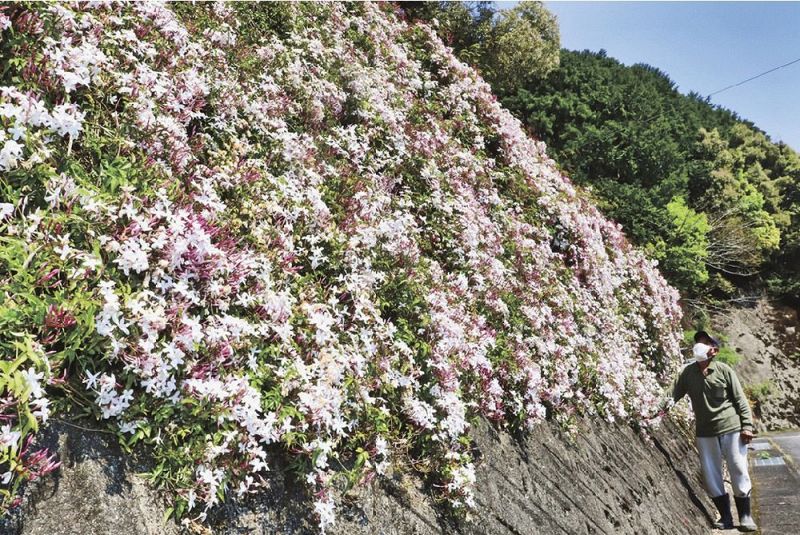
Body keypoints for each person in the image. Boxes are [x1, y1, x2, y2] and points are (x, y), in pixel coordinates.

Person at [668, 330, 757, 531]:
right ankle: (725, 516)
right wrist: (655, 409)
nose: (700, 345)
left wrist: (747, 426)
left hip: (732, 427)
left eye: (705, 343)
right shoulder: (687, 373)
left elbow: (740, 399)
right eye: (698, 342)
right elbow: (672, 395)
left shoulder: (724, 370)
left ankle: (745, 516)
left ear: (714, 350)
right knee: (711, 474)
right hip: (705, 431)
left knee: (738, 468)